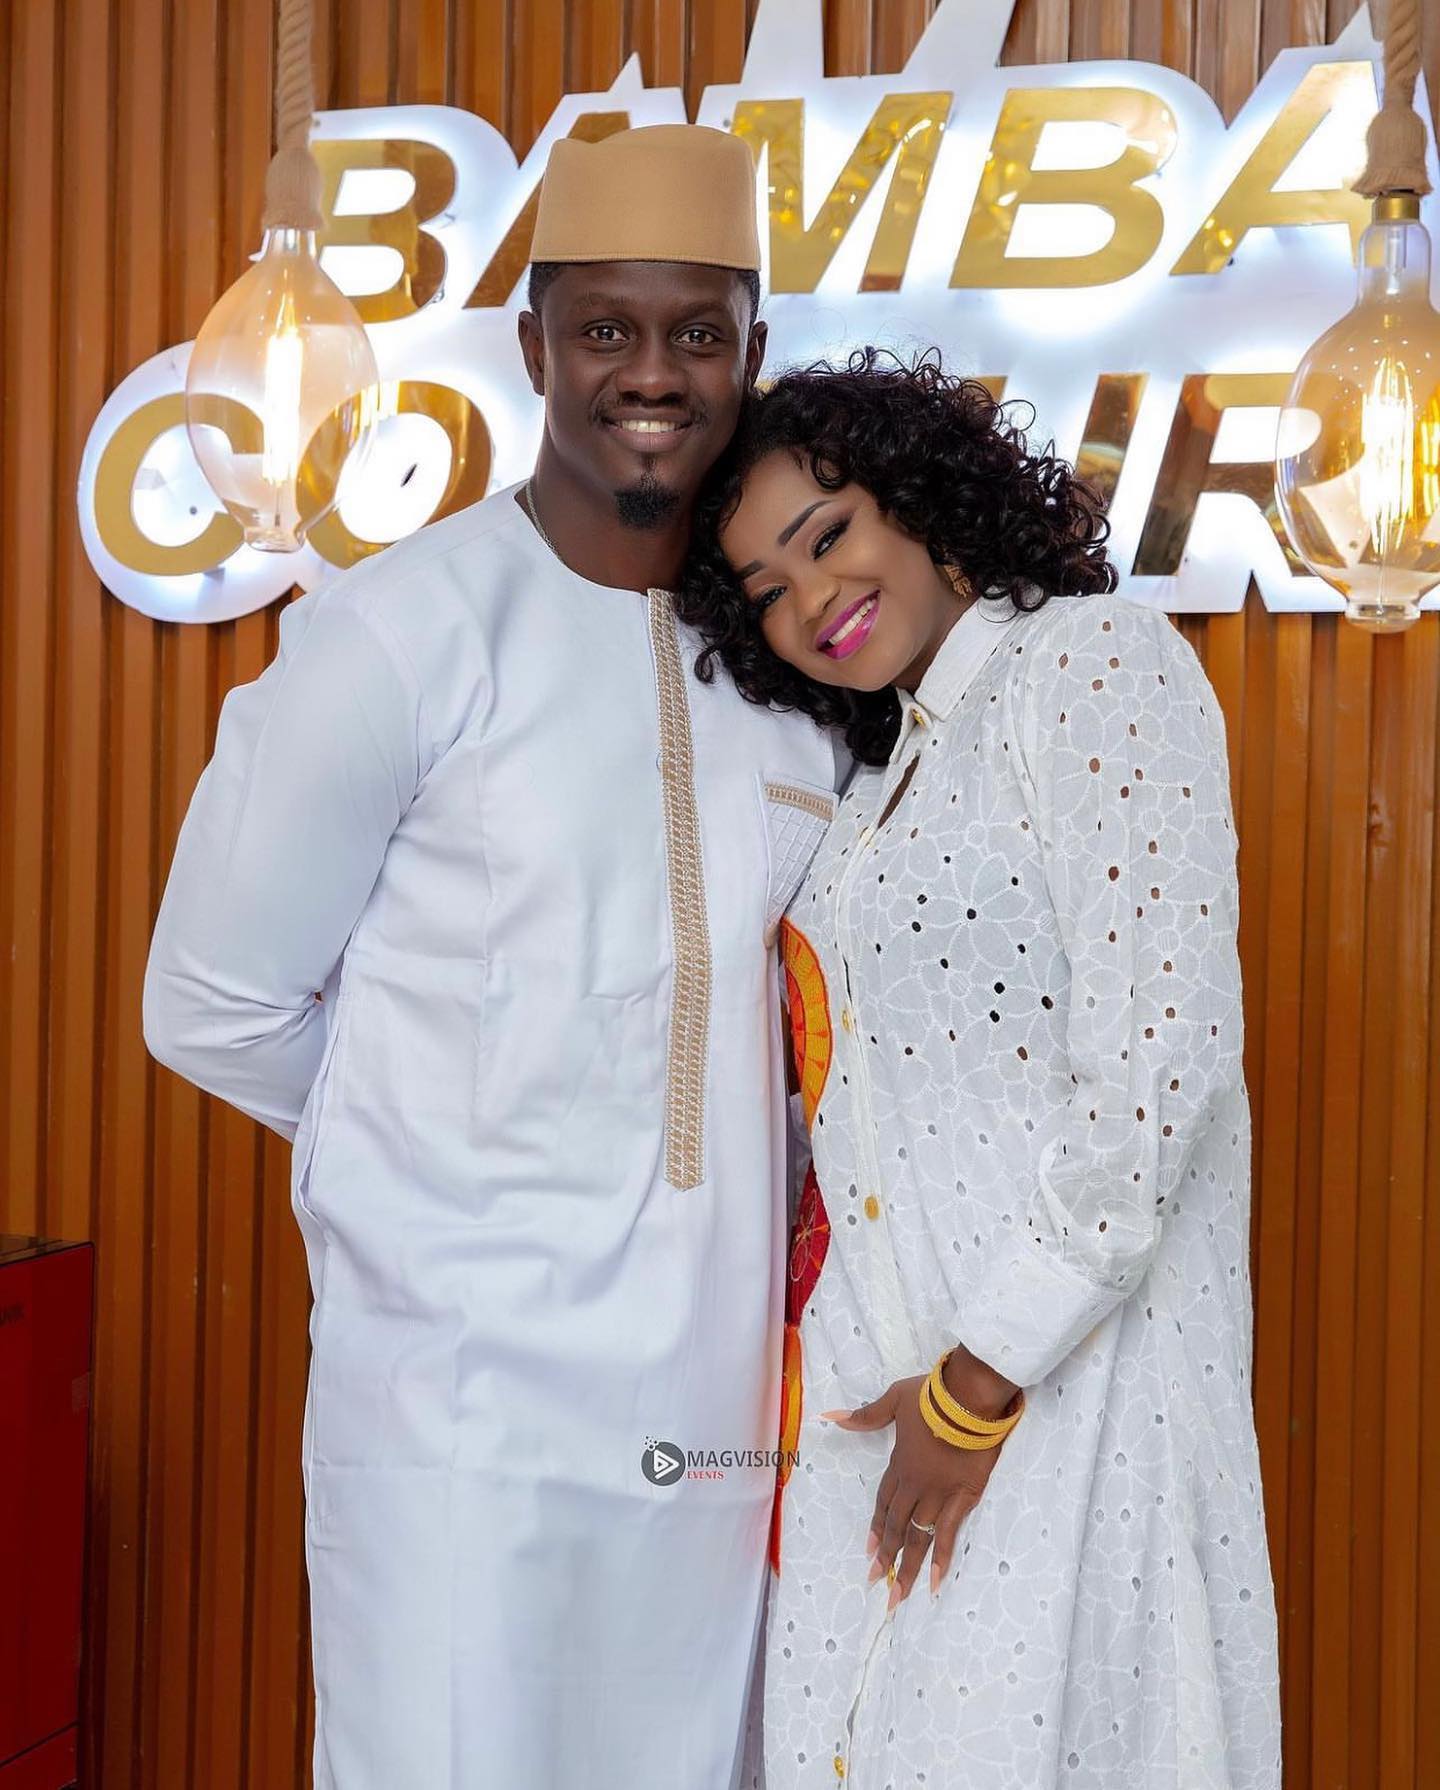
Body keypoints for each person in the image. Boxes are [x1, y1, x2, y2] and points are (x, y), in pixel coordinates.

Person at [142, 125, 842, 1790]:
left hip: (709, 1426)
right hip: (459, 1412)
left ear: (751, 350)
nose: (652, 373)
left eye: (698, 331)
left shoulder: (787, 674)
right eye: (606, 328)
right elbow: (207, 1003)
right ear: (535, 345)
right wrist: (442, 1156)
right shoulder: (402, 630)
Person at [678, 351, 1282, 1789]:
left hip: (1060, 1395)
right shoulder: (876, 780)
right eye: (766, 587)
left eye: (828, 533)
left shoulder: (1090, 665)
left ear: (925, 499)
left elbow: (1158, 1075)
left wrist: (975, 1384)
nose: (811, 599)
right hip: (882, 1411)